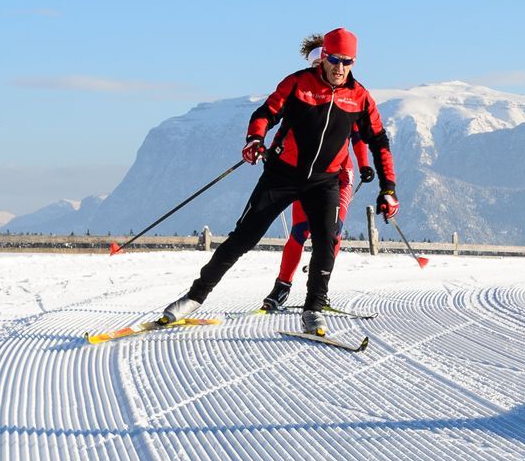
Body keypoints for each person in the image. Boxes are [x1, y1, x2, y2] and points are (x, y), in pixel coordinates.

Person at [160, 27, 398, 336]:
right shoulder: (298, 84)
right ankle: (194, 296)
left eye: (348, 61)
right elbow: (265, 113)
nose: (340, 68)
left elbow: (379, 141)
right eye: (335, 60)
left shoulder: (359, 97)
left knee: (328, 241)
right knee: (243, 238)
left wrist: (388, 188)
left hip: (325, 182)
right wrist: (254, 139)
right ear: (324, 57)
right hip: (282, 176)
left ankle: (313, 308)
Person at [258, 127, 374, 314]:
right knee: (300, 231)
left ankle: (320, 291)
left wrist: (364, 165)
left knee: (332, 233)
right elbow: (287, 128)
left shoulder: (347, 102)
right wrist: (273, 153)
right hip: (308, 175)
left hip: (340, 177)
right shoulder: (307, 101)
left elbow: (358, 135)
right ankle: (282, 288)